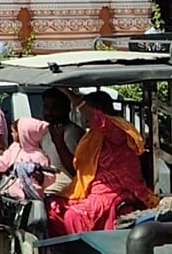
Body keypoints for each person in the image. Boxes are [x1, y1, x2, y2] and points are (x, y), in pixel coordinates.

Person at [47, 90, 155, 235]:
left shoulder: (117, 129)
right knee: (52, 207)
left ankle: (85, 247)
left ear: (98, 109)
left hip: (116, 192)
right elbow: (78, 171)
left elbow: (98, 120)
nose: (82, 115)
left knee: (73, 215)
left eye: (87, 110)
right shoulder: (92, 135)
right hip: (92, 191)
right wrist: (58, 142)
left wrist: (71, 96)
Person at [0, 118, 57, 200]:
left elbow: (49, 177)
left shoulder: (38, 155)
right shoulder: (15, 147)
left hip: (29, 199)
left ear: (23, 134)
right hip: (9, 195)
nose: (12, 134)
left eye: (14, 132)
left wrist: (40, 177)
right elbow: (4, 161)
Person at [40, 89, 86, 196]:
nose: (49, 112)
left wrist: (59, 143)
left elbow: (75, 171)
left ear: (66, 108)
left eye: (54, 108)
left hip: (67, 181)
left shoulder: (72, 133)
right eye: (46, 107)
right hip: (46, 177)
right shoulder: (45, 131)